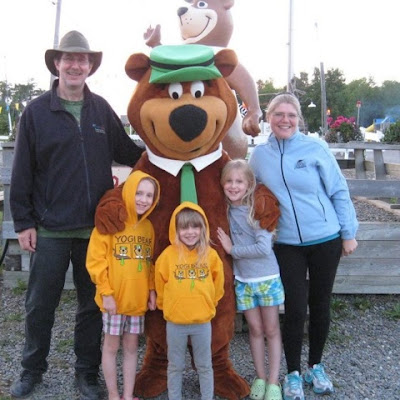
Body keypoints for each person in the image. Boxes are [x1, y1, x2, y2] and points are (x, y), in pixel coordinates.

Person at [9, 30, 144, 400]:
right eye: (68, 58)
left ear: (90, 66)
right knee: (39, 305)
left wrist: (167, 157)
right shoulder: (36, 112)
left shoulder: (100, 110)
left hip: (95, 231)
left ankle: (86, 373)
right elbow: (21, 171)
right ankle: (31, 370)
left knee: (92, 306)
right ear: (57, 63)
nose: (75, 65)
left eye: (81, 59)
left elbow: (129, 153)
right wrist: (23, 222)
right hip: (50, 229)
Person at [248, 93, 359, 400]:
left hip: (326, 239)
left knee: (320, 303)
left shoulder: (315, 148)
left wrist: (348, 233)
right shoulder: (259, 156)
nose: (285, 120)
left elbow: (338, 190)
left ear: (298, 119)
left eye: (291, 115)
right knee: (295, 308)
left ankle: (316, 366)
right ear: (268, 118)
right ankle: (293, 372)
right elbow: (248, 193)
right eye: (278, 114)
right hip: (286, 244)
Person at [86, 171, 160, 400]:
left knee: (131, 348)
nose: (143, 199)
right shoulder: (111, 222)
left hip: (136, 302)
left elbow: (149, 263)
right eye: (139, 193)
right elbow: (95, 262)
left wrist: (151, 290)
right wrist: (106, 293)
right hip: (114, 301)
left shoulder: (148, 228)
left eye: (149, 195)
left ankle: (127, 395)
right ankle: (113, 394)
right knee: (111, 347)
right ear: (128, 192)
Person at [217, 159, 284, 400]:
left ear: (249, 184)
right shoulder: (225, 210)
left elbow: (263, 248)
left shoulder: (257, 209)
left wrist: (232, 249)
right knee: (255, 329)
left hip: (266, 277)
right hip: (243, 280)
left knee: (271, 329)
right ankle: (260, 378)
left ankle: (274, 382)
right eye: (229, 181)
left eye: (239, 181)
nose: (234, 186)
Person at [155, 202, 225, 400]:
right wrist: (166, 306)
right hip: (175, 322)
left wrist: (209, 304)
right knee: (175, 365)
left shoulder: (210, 255)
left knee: (204, 365)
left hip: (202, 322)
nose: (190, 232)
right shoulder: (168, 256)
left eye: (195, 226)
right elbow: (160, 283)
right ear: (176, 229)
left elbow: (218, 284)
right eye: (184, 227)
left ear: (203, 228)